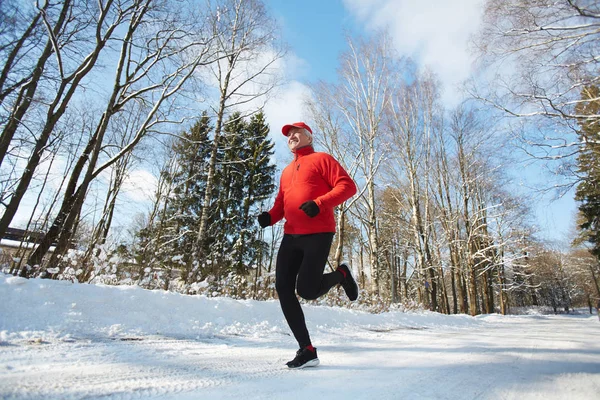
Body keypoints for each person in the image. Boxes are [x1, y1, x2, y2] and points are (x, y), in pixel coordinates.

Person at [257, 121, 359, 369]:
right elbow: (282, 204)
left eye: (296, 132)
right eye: (288, 134)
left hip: (319, 232)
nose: (291, 136)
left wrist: (320, 203)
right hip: (291, 236)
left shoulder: (322, 159)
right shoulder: (286, 171)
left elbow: (348, 186)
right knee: (283, 287)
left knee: (308, 290)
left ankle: (341, 274)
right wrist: (270, 217)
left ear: (308, 136)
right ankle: (307, 349)